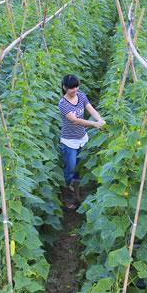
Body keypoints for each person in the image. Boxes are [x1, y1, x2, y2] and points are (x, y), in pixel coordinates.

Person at [58, 74, 105, 209]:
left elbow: (91, 109)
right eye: (71, 88)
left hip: (82, 139)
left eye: (76, 87)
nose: (75, 90)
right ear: (64, 88)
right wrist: (94, 124)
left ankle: (77, 195)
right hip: (69, 141)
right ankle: (67, 193)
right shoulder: (63, 103)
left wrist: (100, 120)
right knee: (70, 168)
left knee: (79, 168)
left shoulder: (81, 96)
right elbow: (75, 120)